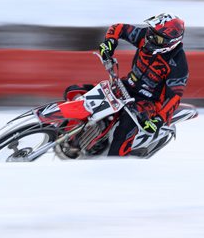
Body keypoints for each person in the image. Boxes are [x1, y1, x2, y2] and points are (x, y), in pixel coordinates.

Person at [64, 13, 188, 156]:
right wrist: (110, 42)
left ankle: (116, 163)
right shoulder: (146, 37)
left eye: (156, 37)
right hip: (127, 85)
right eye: (150, 32)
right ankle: (69, 130)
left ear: (170, 42)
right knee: (77, 91)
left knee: (124, 131)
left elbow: (174, 98)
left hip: (148, 102)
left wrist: (159, 120)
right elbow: (119, 28)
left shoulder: (178, 64)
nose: (149, 38)